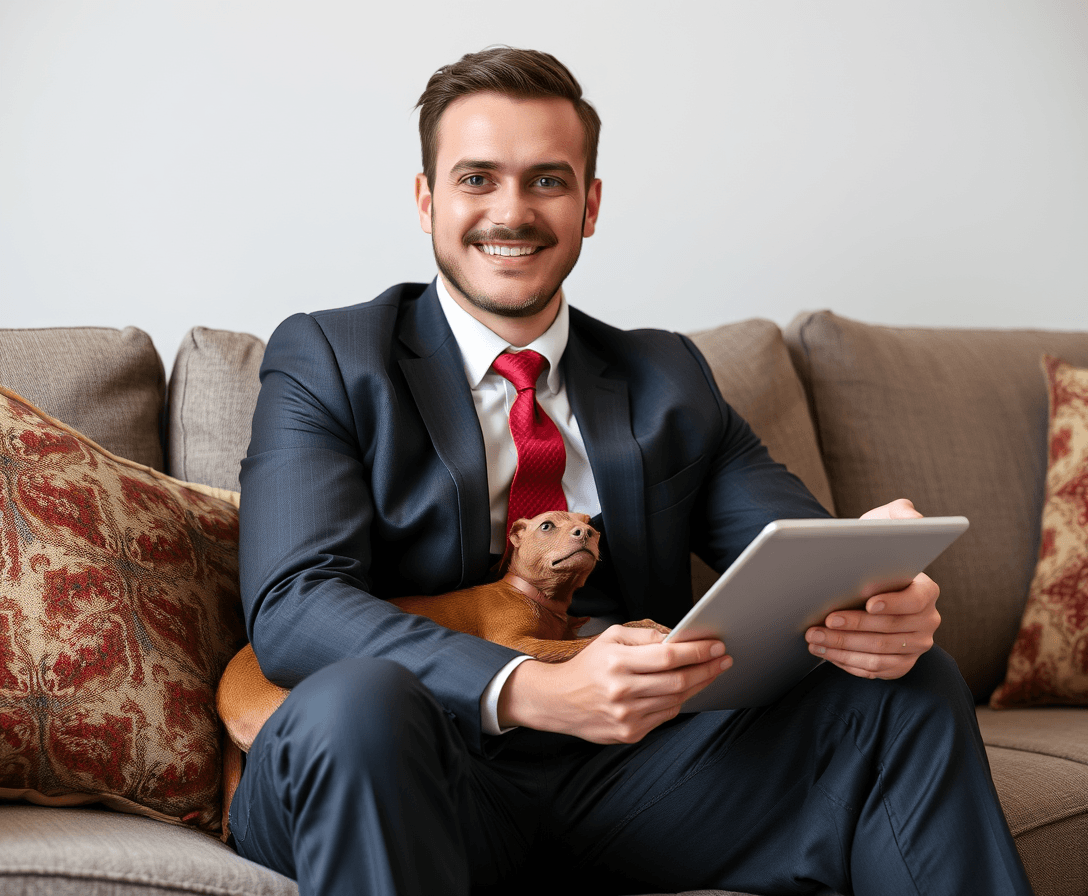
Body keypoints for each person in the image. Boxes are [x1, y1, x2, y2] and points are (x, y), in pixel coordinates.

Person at [232, 47, 1033, 896]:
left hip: (635, 782)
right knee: (360, 706)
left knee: (909, 684)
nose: (512, 211)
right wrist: (527, 688)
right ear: (427, 200)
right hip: (405, 766)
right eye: (476, 179)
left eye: (547, 180)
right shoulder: (329, 356)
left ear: (591, 204)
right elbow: (294, 607)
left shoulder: (667, 379)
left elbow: (797, 558)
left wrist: (877, 599)